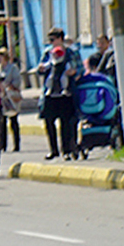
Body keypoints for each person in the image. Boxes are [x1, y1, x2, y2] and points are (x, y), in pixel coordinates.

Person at [32, 28, 83, 160]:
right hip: (50, 94)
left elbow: (80, 69)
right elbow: (40, 69)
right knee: (49, 122)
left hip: (66, 94)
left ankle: (66, 150)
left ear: (60, 39)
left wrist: (74, 73)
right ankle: (53, 150)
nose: (51, 43)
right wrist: (41, 69)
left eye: (52, 40)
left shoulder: (71, 53)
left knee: (66, 123)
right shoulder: (47, 53)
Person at [0, 48, 23, 154]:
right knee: (2, 122)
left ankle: (16, 144)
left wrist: (10, 86)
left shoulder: (13, 68)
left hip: (11, 97)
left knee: (13, 120)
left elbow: (17, 81)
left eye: (0, 56)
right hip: (1, 97)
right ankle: (2, 145)